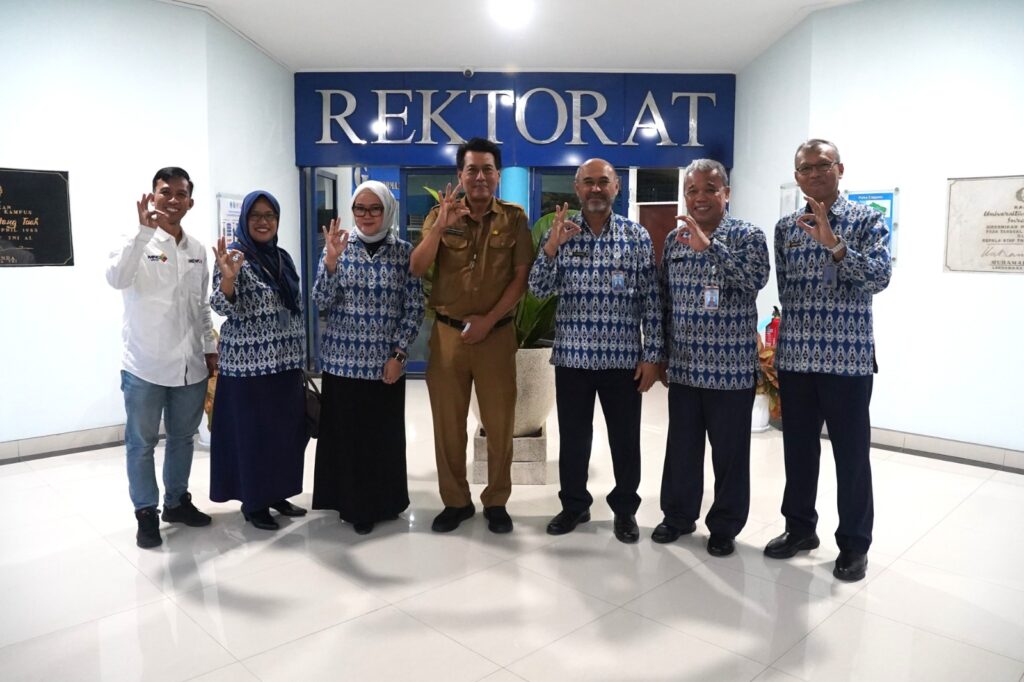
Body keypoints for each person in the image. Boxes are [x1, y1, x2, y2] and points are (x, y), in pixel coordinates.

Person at [764, 139, 891, 582]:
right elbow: (787, 292)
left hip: (847, 360)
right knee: (798, 452)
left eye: (822, 165)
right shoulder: (786, 228)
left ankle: (854, 545)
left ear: (840, 169)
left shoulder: (867, 220)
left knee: (851, 457)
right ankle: (800, 529)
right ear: (796, 176)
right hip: (797, 359)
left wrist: (835, 245)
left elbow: (879, 278)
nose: (814, 173)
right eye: (805, 168)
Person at [529, 158, 664, 544]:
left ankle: (625, 509)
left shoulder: (635, 237)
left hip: (622, 360)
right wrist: (552, 247)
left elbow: (651, 300)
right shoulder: (561, 233)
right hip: (573, 359)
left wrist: (652, 355)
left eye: (603, 182)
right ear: (577, 188)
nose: (595, 189)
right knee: (574, 438)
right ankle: (574, 505)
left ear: (616, 187)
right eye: (588, 182)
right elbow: (537, 289)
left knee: (625, 439)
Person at [410, 137, 533, 534]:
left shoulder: (514, 218)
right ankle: (456, 501)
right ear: (460, 175)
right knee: (448, 425)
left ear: (498, 175)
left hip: (496, 336)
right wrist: (439, 227)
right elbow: (417, 267)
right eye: (472, 170)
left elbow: (521, 278)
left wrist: (489, 319)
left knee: (499, 424)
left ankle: (496, 501)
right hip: (448, 336)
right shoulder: (440, 214)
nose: (480, 177)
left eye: (487, 170)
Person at [654, 159, 769, 556]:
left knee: (730, 454)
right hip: (685, 368)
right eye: (692, 190)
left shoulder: (748, 236)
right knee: (682, 449)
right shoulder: (675, 240)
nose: (700, 197)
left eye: (710, 189)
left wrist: (711, 247)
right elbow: (664, 300)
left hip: (731, 370)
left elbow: (754, 280)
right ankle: (678, 516)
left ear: (726, 193)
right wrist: (661, 353)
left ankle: (724, 526)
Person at [106, 166, 215, 549]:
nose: (172, 199)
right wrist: (141, 233)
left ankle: (176, 502)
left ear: (190, 202)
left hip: (190, 366)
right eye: (165, 192)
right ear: (153, 196)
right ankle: (146, 513)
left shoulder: (197, 249)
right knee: (141, 444)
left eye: (180, 193)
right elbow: (116, 279)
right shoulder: (135, 241)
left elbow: (202, 305)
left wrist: (209, 348)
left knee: (183, 439)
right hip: (145, 366)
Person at [311, 181, 424, 534]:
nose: (367, 215)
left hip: (384, 366)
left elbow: (414, 308)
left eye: (375, 208)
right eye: (360, 208)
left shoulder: (404, 253)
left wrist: (399, 354)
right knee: (347, 439)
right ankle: (353, 505)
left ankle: (384, 502)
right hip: (342, 365)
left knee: (381, 439)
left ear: (388, 210)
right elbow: (321, 301)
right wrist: (330, 261)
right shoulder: (338, 248)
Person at [209, 190, 308, 531]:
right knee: (254, 437)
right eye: (256, 216)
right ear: (244, 220)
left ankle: (277, 493)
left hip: (286, 365)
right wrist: (228, 277)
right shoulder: (235, 257)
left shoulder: (282, 257)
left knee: (284, 435)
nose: (263, 222)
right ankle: (254, 502)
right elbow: (220, 305)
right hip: (248, 370)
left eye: (270, 215)